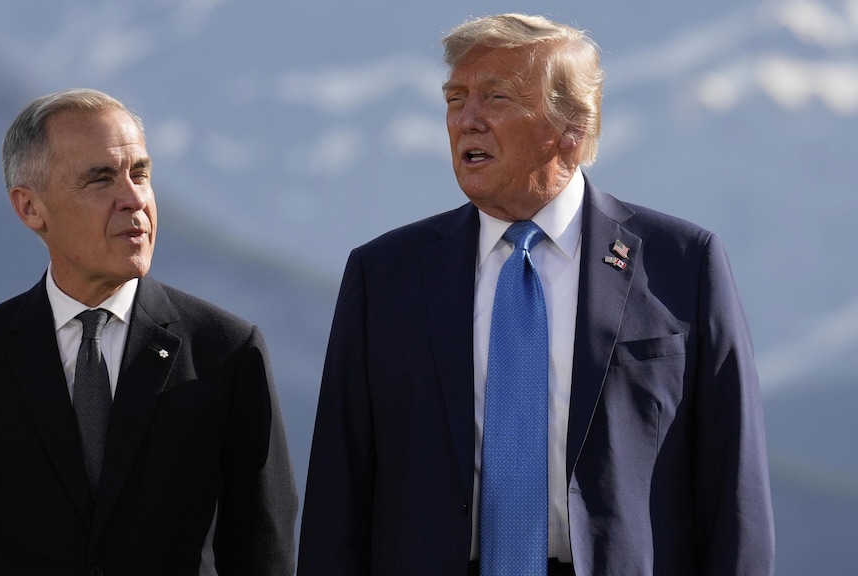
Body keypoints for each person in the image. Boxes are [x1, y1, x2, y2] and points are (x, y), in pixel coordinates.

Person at [298, 13, 774, 576]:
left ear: (572, 128)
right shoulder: (383, 275)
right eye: (456, 99)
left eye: (495, 97)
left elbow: (733, 486)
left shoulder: (683, 264)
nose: (467, 120)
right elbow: (338, 493)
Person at [0, 88, 298, 575]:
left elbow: (264, 551)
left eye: (141, 174)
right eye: (100, 179)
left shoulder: (228, 353)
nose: (133, 199)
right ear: (30, 208)